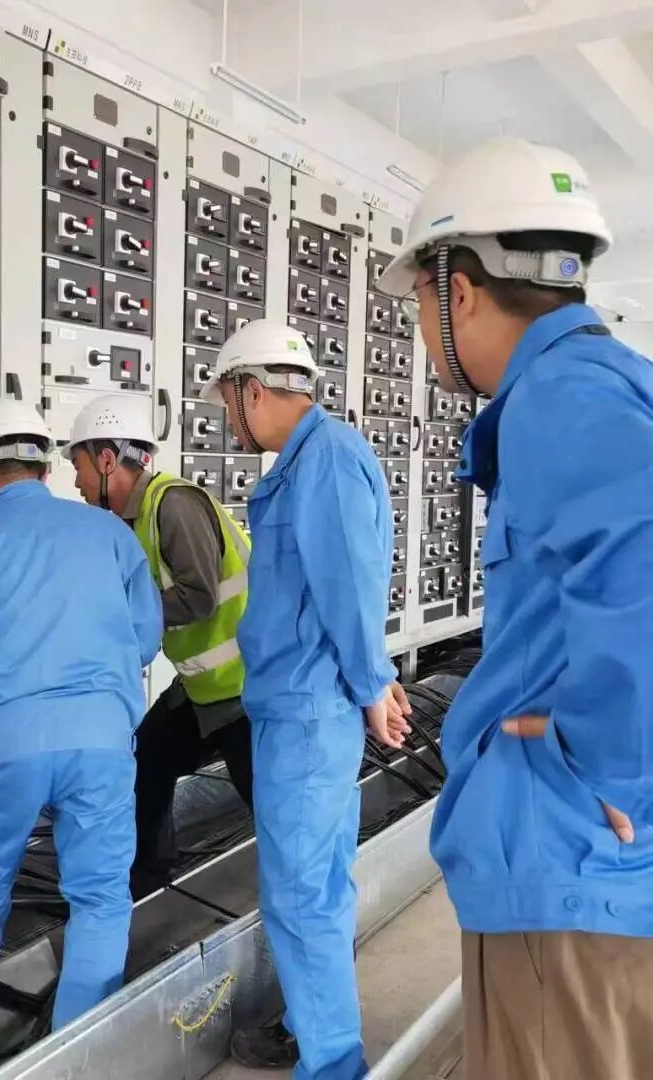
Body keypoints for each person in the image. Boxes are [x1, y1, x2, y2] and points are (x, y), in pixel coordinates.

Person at [377, 136, 653, 1080]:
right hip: (583, 872)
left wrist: (610, 765)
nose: (421, 332)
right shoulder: (610, 382)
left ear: (457, 292)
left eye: (418, 305)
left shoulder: (559, 397)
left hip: (565, 874)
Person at [200, 321, 411, 1078]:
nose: (228, 418)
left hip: (309, 710)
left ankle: (333, 1062)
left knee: (301, 894)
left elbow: (347, 584)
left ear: (253, 390)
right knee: (316, 881)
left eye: (228, 401)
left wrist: (371, 683)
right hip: (299, 704)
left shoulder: (326, 458)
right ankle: (308, 1023)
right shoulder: (308, 460)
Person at [0, 397, 163, 1029]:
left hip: (8, 744)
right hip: (103, 741)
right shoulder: (111, 533)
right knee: (101, 896)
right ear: (45, 469)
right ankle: (75, 1047)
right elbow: (144, 637)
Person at [63, 394, 254, 899]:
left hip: (246, 690)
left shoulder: (174, 504)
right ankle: (146, 883)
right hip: (204, 688)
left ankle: (303, 909)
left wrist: (117, 617)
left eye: (78, 465)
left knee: (271, 806)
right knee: (147, 759)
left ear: (107, 460)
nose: (76, 482)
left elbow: (199, 597)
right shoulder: (133, 518)